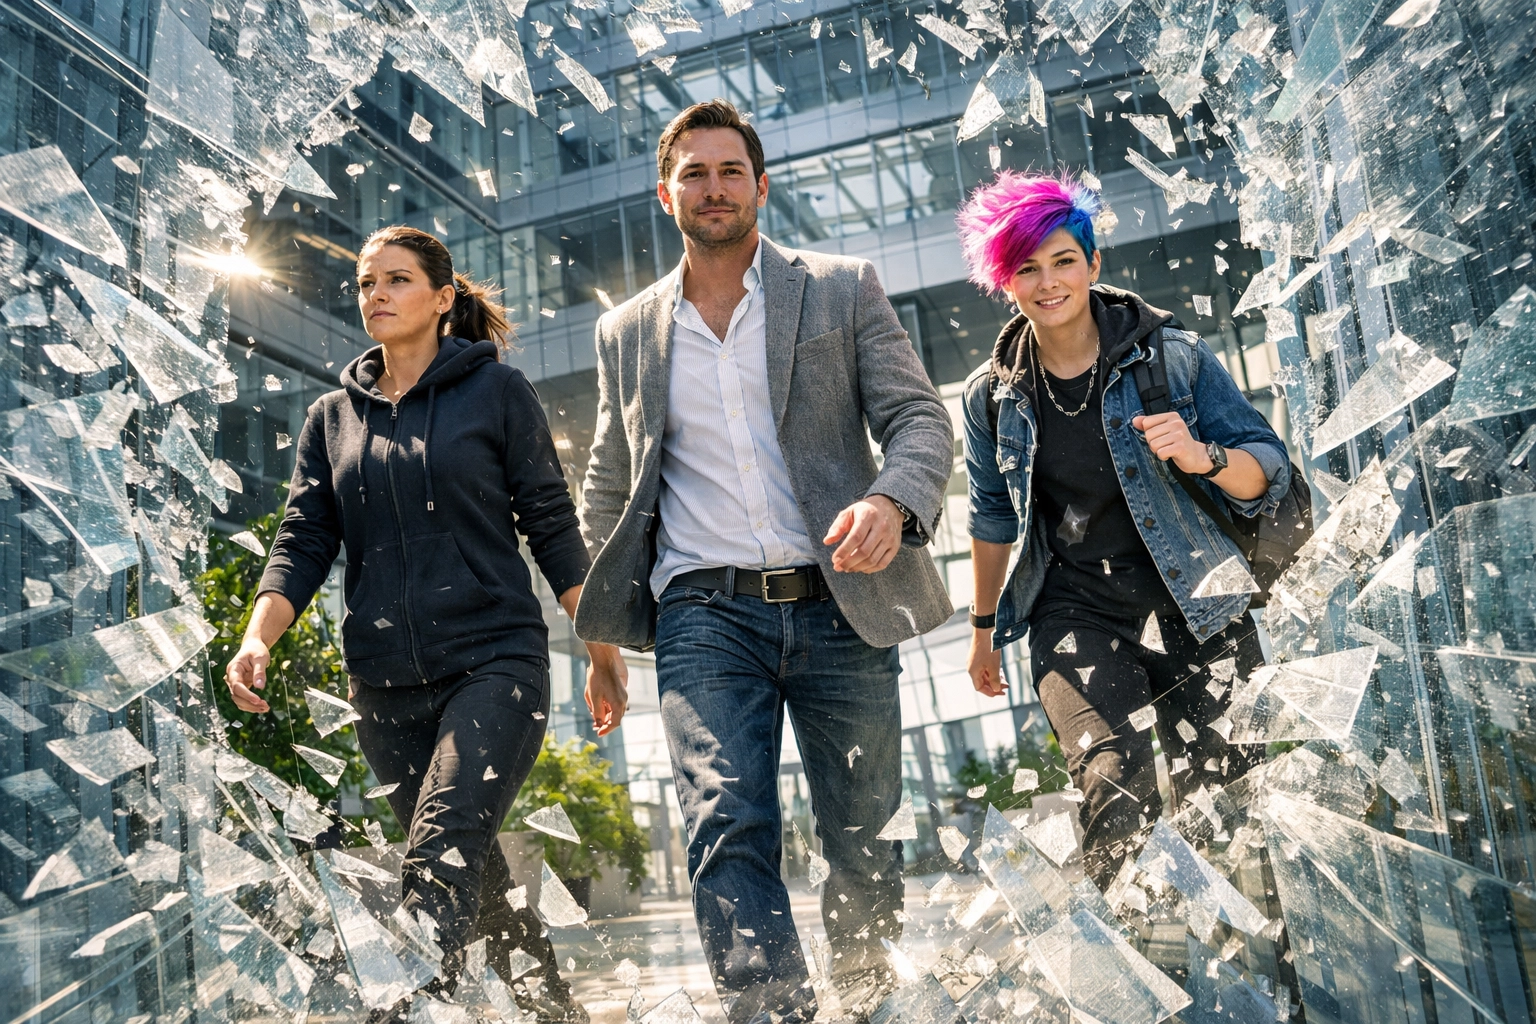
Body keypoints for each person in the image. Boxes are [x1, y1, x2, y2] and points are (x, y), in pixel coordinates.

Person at [574, 100, 953, 1024]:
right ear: (667, 194)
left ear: (760, 186)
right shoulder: (626, 331)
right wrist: (598, 638)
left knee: (864, 837)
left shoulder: (839, 286)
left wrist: (891, 502)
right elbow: (610, 479)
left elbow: (917, 417)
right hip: (703, 613)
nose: (714, 188)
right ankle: (772, 1012)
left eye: (730, 171)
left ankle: (865, 1001)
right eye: (694, 174)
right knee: (724, 819)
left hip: (841, 599)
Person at [224, 225, 626, 1022]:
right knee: (470, 877)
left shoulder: (497, 392)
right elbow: (302, 543)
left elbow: (551, 525)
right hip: (384, 690)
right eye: (366, 282)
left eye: (397, 280)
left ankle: (401, 1010)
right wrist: (255, 637)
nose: (376, 294)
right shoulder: (330, 419)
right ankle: (554, 1013)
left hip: (494, 665)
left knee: (439, 858)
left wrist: (600, 649)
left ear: (443, 299)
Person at [956, 173, 1292, 887]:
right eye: (1027, 269)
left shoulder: (1172, 355)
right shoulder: (991, 395)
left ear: (1093, 263)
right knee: (1112, 781)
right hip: (1075, 613)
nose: (1049, 282)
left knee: (1232, 810)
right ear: (1005, 282)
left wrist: (1203, 456)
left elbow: (1269, 470)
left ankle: (1254, 958)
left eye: (1063, 261)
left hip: (1198, 605)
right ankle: (1129, 949)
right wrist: (983, 632)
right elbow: (990, 516)